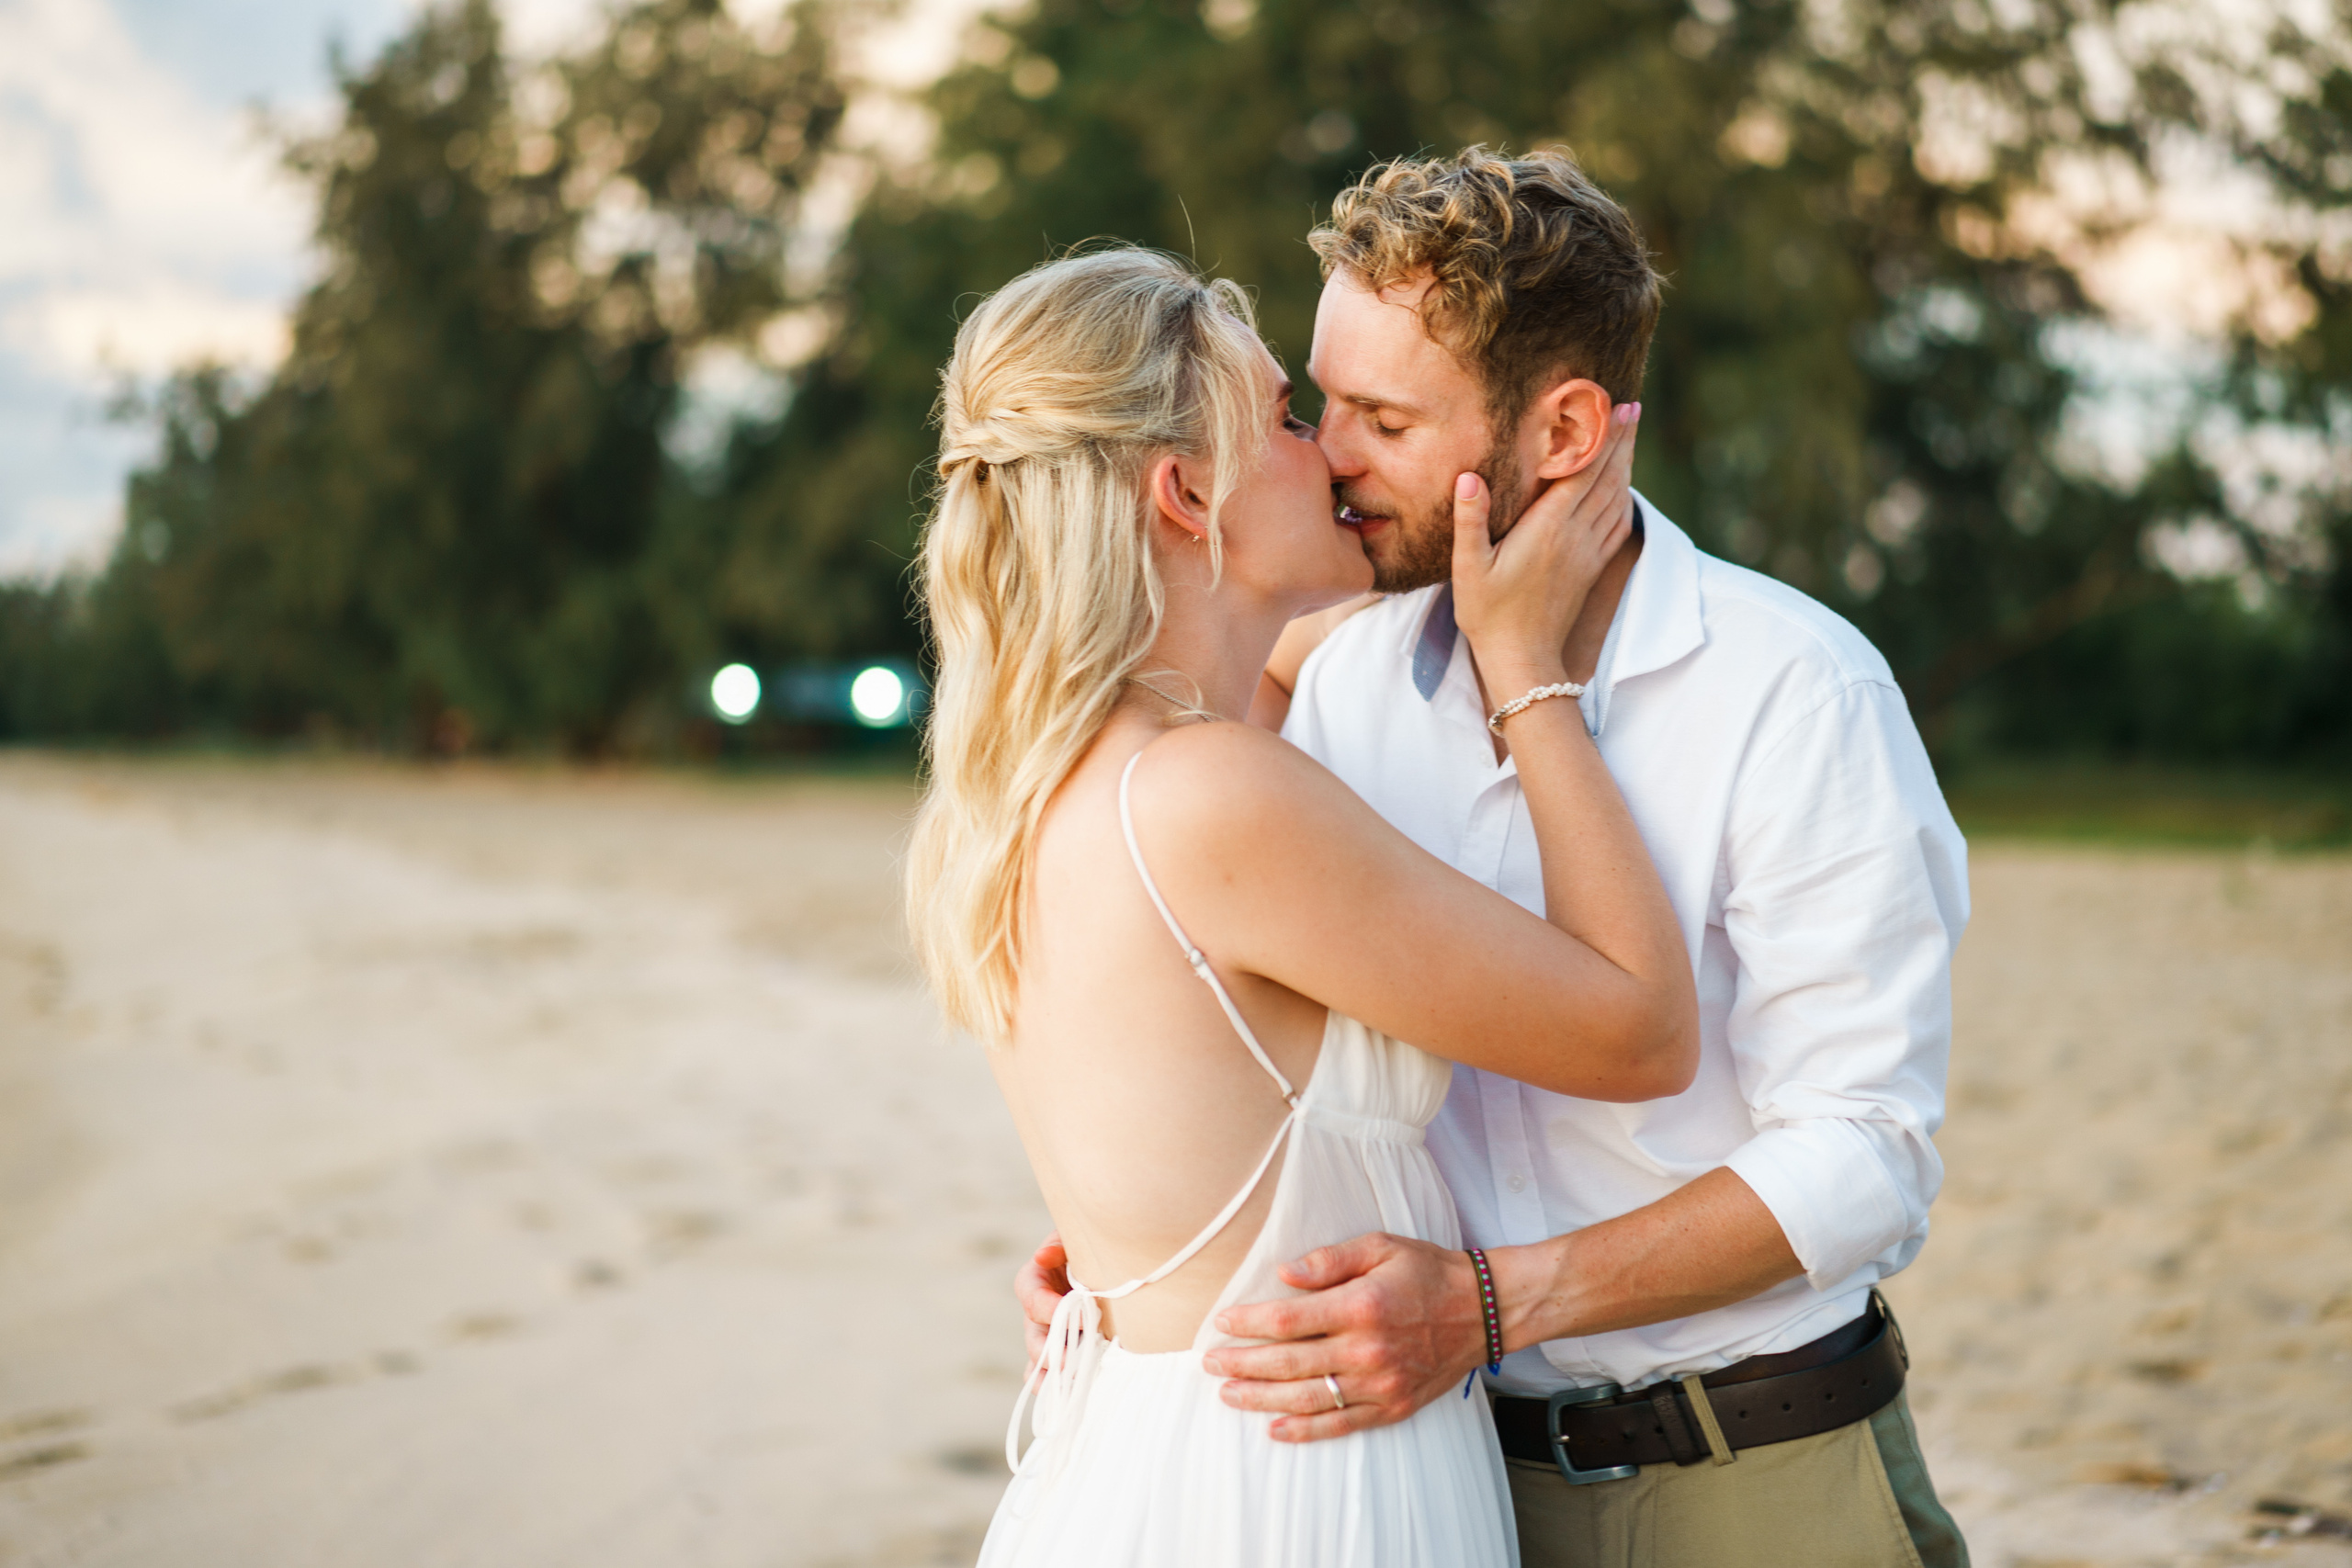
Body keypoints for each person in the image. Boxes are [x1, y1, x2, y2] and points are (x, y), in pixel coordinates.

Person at [1019, 149, 1974, 1567]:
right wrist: (1145, 1247)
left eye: (1384, 418)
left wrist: (1490, 1300)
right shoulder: (1337, 692)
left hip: (1748, 1468)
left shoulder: (1797, 693)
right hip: (1434, 1473)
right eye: (1321, 400)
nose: (1331, 455)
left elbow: (1868, 1154)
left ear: (1566, 430)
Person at [908, 245, 1701, 1567]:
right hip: (1284, 1491)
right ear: (1184, 490)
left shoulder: (1035, 778)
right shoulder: (1211, 795)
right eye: (1284, 417)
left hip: (1156, 1448)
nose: (1331, 455)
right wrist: (1524, 668)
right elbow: (1641, 1033)